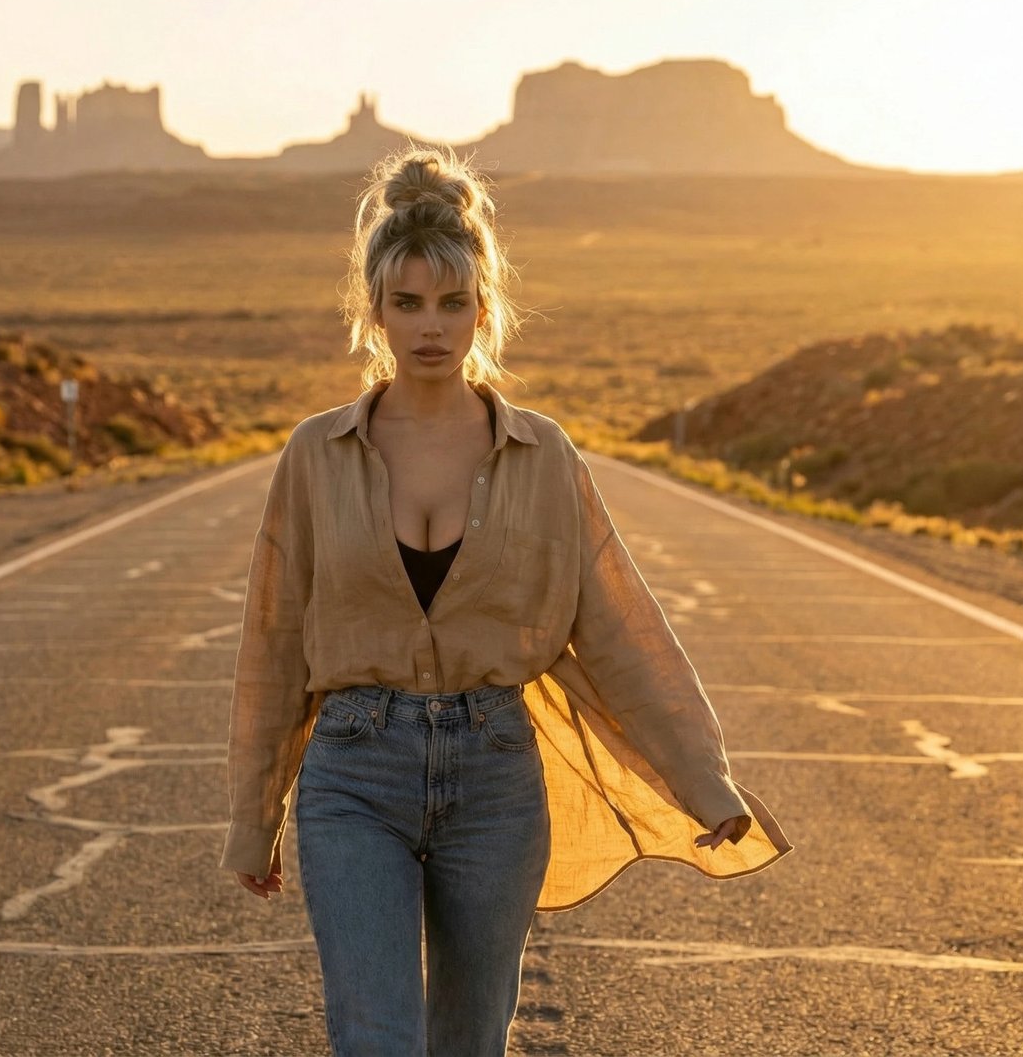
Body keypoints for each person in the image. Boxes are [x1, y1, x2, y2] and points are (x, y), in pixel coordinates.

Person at [222, 146, 793, 1056]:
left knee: (468, 1040)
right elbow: (274, 644)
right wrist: (254, 818)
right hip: (353, 774)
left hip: (494, 776)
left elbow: (618, 630)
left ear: (484, 308)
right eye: (406, 303)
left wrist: (701, 775)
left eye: (452, 303)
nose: (430, 327)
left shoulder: (544, 456)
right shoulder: (315, 455)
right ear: (372, 311)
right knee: (376, 1038)